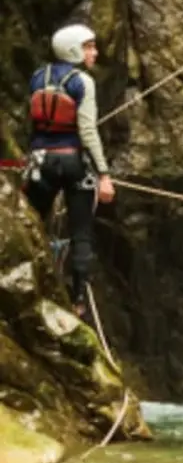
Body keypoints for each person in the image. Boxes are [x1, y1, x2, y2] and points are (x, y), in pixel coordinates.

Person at [24, 24, 116, 315]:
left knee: (34, 223)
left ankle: (33, 283)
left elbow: (34, 122)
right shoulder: (83, 82)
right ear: (74, 49)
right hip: (73, 162)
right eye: (89, 47)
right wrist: (103, 174)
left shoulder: (38, 77)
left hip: (40, 160)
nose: (94, 52)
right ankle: (77, 300)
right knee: (81, 233)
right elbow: (88, 131)